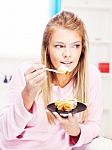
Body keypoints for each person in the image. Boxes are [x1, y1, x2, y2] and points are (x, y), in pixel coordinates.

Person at [0, 10, 112, 150]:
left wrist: (76, 131)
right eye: (59, 46)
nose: (68, 54)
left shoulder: (91, 75)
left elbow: (94, 125)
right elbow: (6, 132)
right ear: (47, 48)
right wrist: (27, 94)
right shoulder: (27, 72)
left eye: (75, 46)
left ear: (82, 49)